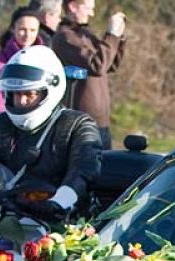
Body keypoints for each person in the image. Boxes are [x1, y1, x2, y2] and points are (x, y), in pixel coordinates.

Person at [0, 45, 102, 221]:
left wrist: (59, 202)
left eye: (29, 93)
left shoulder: (78, 125)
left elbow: (83, 171)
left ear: (50, 89)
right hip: (8, 217)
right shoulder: (4, 124)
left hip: (64, 222)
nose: (21, 101)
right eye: (15, 94)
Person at [52, 0, 126, 150]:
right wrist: (111, 35)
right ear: (73, 6)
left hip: (101, 121)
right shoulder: (65, 37)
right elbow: (97, 65)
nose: (92, 14)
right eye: (88, 8)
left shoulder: (85, 35)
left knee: (106, 163)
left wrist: (119, 37)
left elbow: (110, 65)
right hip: (82, 121)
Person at [0, 6, 43, 125]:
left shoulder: (45, 59)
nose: (27, 35)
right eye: (22, 29)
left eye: (32, 30)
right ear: (12, 29)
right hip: (5, 127)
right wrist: (10, 125)